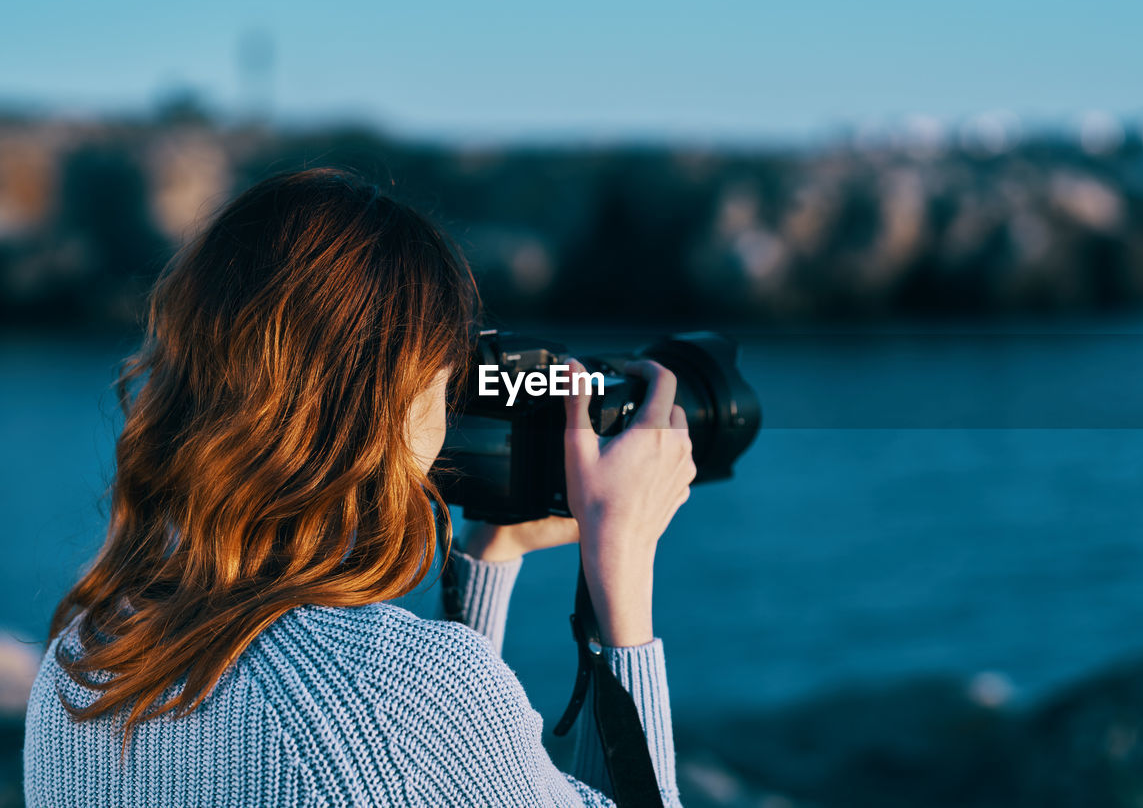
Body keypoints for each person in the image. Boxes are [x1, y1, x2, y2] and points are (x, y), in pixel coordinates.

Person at [23, 168, 694, 807]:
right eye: (443, 379)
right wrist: (623, 562)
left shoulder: (82, 664)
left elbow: (407, 768)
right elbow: (395, 738)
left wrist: (486, 562)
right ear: (386, 406)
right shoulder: (406, 696)